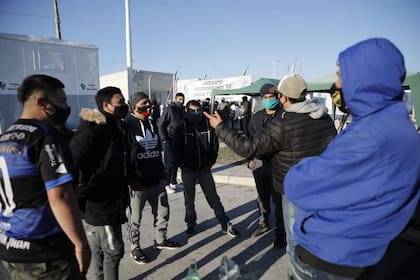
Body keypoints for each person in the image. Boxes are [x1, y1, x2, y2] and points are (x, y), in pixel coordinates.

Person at [284, 38, 420, 279]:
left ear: (365, 79)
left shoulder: (372, 135)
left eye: (341, 75)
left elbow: (298, 185)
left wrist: (309, 165)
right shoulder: (389, 122)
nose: (337, 84)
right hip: (360, 247)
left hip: (333, 257)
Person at [204, 75, 336, 257]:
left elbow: (246, 146)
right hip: (319, 188)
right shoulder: (325, 118)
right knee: (314, 237)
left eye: (277, 95)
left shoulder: (285, 123)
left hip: (294, 188)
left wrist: (220, 127)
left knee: (297, 244)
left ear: (284, 97)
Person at [0, 74, 91, 279]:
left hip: (10, 248)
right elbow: (60, 196)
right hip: (45, 253)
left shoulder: (5, 138)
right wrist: (80, 244)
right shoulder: (45, 138)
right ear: (43, 103)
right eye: (62, 101)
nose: (66, 107)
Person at [71, 86, 129, 280]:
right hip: (102, 203)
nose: (124, 105)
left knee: (98, 249)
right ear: (106, 105)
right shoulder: (95, 128)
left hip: (111, 199)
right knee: (114, 251)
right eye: (120, 102)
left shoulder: (116, 126)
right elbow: (73, 159)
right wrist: (83, 189)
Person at [125, 92, 180, 265]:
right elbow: (124, 155)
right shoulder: (127, 125)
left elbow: (158, 149)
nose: (148, 107)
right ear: (134, 106)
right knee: (135, 218)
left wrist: (162, 171)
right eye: (144, 104)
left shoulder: (151, 122)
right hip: (137, 184)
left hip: (157, 179)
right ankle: (135, 247)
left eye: (149, 104)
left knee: (163, 212)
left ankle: (160, 239)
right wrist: (128, 179)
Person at [172, 100, 240, 237]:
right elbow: (175, 149)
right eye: (192, 111)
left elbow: (215, 145)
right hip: (188, 170)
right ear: (187, 111)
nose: (196, 113)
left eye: (198, 110)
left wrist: (210, 162)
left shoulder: (208, 126)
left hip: (205, 169)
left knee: (213, 198)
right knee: (189, 200)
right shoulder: (180, 128)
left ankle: (225, 223)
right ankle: (191, 223)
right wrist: (182, 165)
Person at [247, 83, 286, 248]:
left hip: (277, 163)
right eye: (266, 98)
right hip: (259, 163)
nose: (269, 100)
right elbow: (249, 138)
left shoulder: (284, 116)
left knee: (278, 200)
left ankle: (280, 233)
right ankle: (263, 223)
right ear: (262, 99)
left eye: (272, 97)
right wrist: (249, 158)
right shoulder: (256, 117)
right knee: (262, 197)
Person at [157, 92, 186, 194]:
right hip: (169, 139)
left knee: (176, 162)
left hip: (179, 140)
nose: (181, 102)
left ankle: (173, 181)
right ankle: (166, 183)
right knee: (169, 163)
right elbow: (161, 124)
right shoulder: (169, 109)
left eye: (182, 100)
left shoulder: (183, 110)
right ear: (175, 99)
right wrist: (164, 139)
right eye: (179, 100)